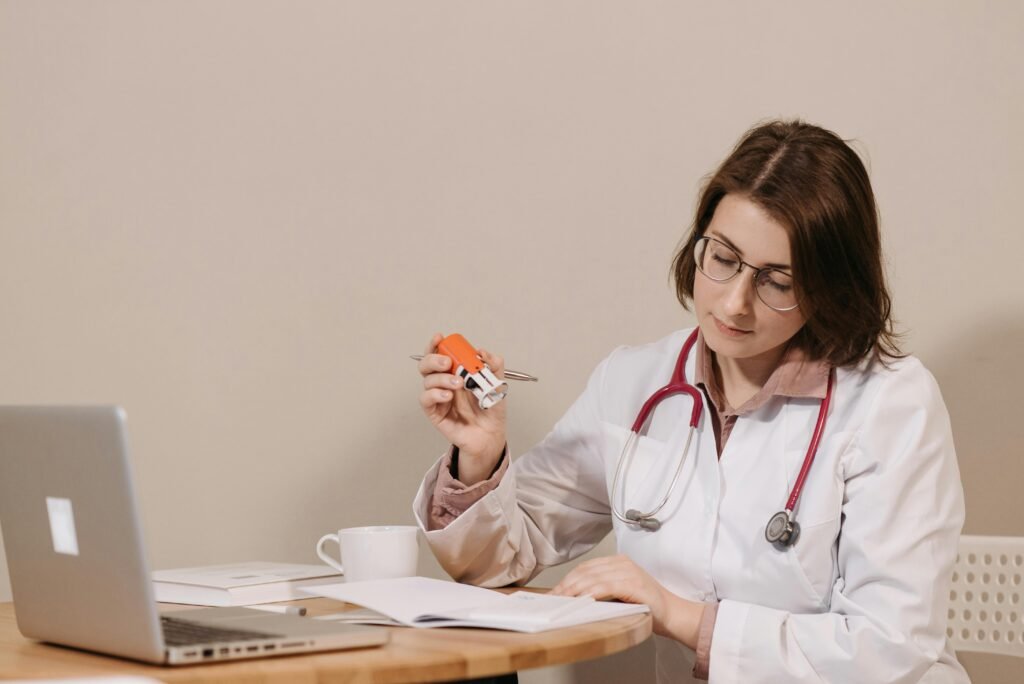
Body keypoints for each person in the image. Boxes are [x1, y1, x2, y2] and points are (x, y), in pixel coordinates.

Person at [412, 120, 969, 683]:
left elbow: (889, 646)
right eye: (723, 258)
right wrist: (480, 456)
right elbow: (498, 562)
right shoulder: (633, 381)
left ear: (830, 287)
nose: (734, 303)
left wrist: (679, 616)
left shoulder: (891, 403)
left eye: (777, 281)